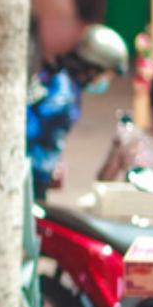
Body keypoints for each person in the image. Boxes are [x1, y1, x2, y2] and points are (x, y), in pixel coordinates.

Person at [26, 24, 129, 199]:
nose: (107, 81)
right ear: (94, 69)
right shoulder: (63, 100)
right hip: (31, 179)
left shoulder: (58, 79)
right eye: (108, 75)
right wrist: (46, 166)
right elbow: (29, 136)